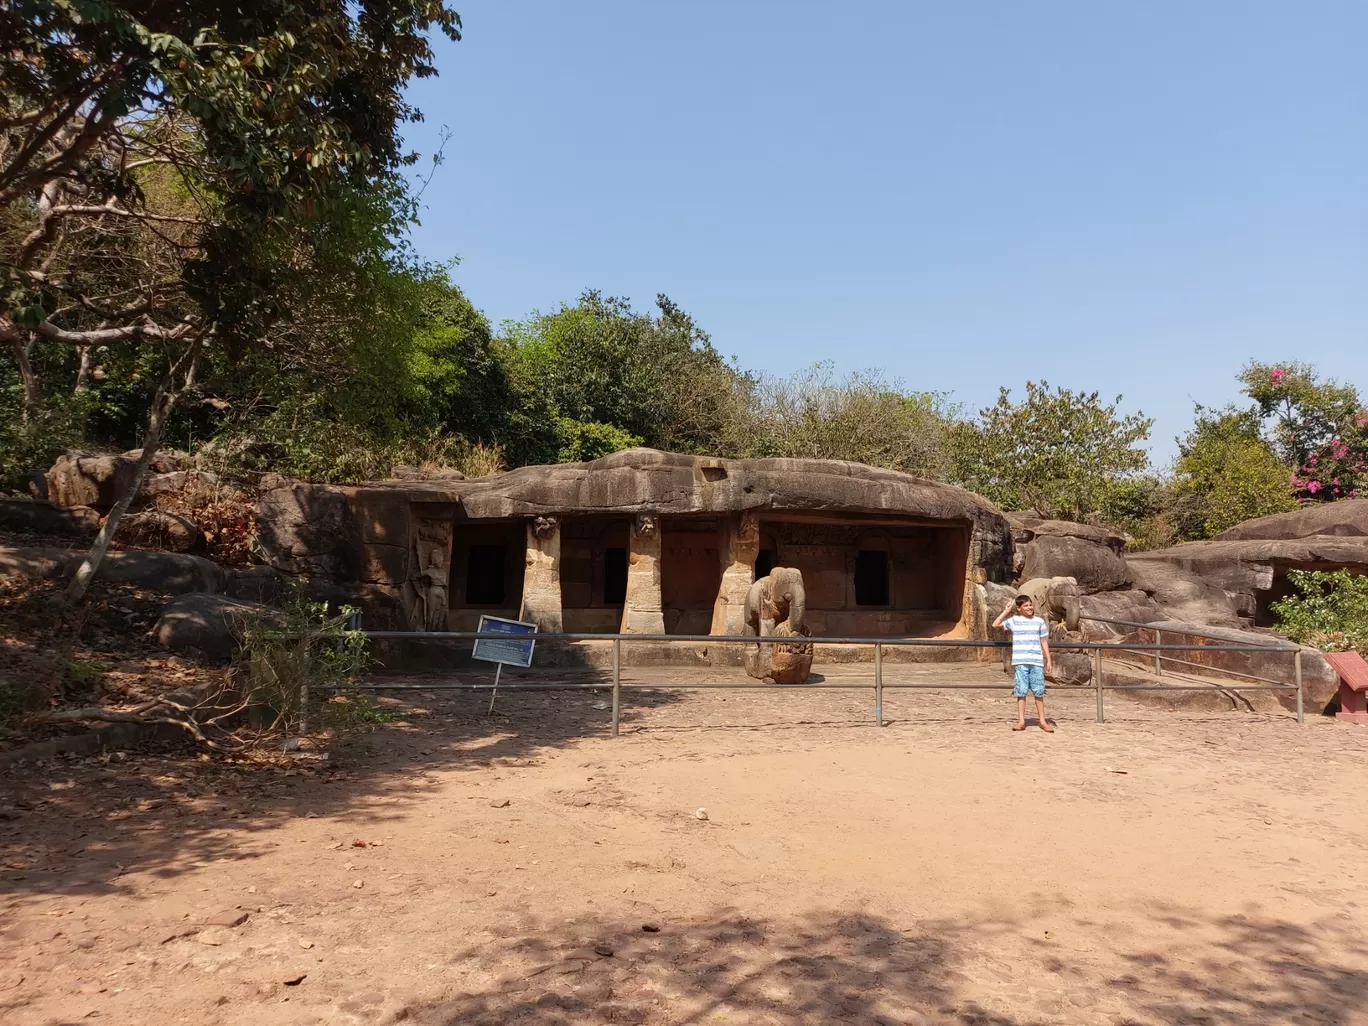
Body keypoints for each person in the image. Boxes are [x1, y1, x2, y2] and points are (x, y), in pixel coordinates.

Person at [993, 594, 1055, 732]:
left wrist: (1048, 660)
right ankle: (1021, 721)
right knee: (1021, 691)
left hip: (1036, 661)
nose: (1029, 607)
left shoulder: (1039, 621)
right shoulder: (1014, 620)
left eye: (1030, 605)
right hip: (1021, 661)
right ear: (1019, 608)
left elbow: (1043, 641)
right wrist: (1006, 611)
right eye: (1026, 605)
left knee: (1039, 692)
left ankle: (1042, 721)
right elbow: (995, 624)